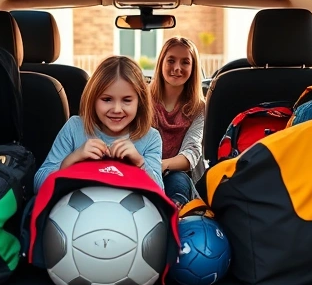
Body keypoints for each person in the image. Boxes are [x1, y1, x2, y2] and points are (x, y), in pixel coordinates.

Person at [33, 55, 163, 194]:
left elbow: (160, 192)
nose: (117, 109)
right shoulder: (74, 128)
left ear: (140, 102)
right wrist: (72, 159)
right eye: (107, 99)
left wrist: (140, 164)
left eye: (127, 100)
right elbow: (38, 186)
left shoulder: (150, 137)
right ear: (93, 99)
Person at [149, 37, 206, 207]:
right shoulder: (142, 98)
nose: (177, 68)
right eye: (171, 60)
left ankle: (176, 215)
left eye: (185, 62)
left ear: (193, 68)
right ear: (161, 63)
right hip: (143, 169)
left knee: (178, 183)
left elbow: (192, 151)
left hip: (180, 174)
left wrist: (162, 165)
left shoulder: (199, 107)